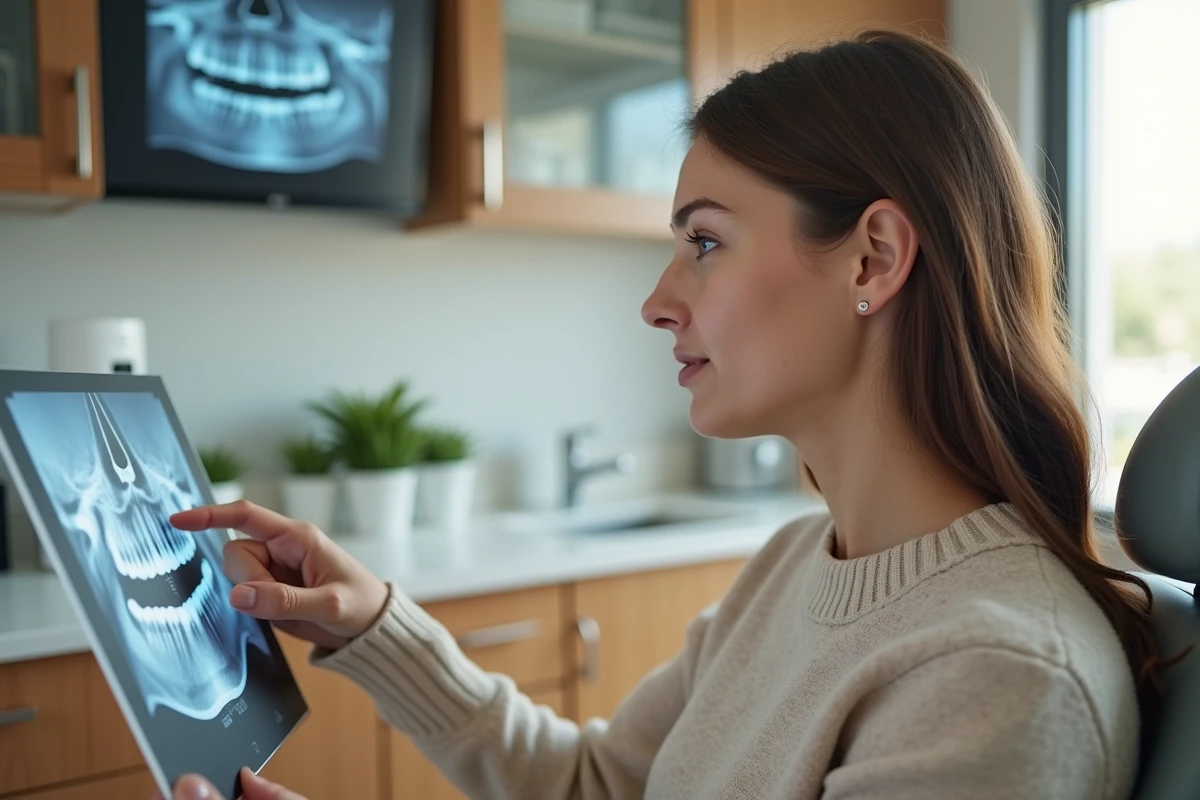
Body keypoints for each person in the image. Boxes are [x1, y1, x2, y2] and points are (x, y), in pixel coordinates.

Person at [154, 29, 1168, 800]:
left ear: (873, 258)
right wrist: (376, 619)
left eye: (706, 242)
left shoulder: (999, 670)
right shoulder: (793, 565)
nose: (657, 300)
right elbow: (599, 783)